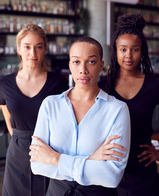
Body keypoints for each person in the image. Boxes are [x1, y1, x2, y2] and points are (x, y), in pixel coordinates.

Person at [29, 36, 130, 196]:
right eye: (76, 62)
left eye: (91, 61)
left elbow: (111, 176)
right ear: (70, 65)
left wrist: (55, 158)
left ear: (101, 65)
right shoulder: (50, 105)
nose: (83, 69)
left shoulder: (117, 109)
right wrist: (92, 160)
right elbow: (37, 165)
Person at [0, 24, 68, 196]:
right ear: (19, 49)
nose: (33, 53)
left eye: (38, 47)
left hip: (48, 150)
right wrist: (20, 140)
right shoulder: (5, 83)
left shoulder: (58, 82)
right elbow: (9, 120)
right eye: (27, 47)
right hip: (17, 153)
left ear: (45, 49)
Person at [104, 13, 159, 196]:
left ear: (142, 51)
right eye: (123, 49)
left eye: (135, 49)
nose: (129, 55)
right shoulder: (104, 85)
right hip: (107, 169)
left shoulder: (153, 84)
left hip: (143, 170)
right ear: (115, 51)